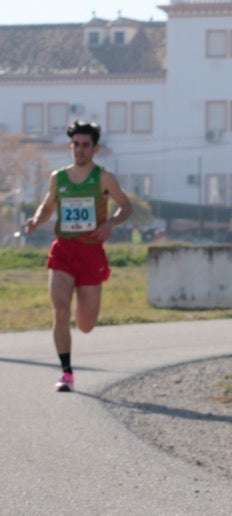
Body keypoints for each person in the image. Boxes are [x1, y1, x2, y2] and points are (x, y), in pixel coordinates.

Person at [22, 120, 133, 392]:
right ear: (69, 146)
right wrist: (37, 218)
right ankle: (66, 373)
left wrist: (110, 224)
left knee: (85, 324)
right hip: (63, 250)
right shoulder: (58, 177)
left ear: (95, 148)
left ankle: (82, 309)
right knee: (60, 310)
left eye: (85, 145)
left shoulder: (104, 178)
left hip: (91, 253)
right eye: (75, 144)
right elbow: (48, 206)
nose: (79, 150)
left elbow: (126, 207)